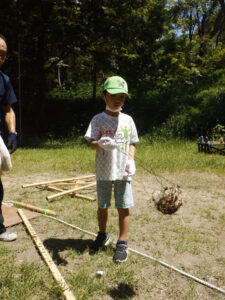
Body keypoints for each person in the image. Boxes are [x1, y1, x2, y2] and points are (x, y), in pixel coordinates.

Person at [85, 75, 139, 262]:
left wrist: (130, 160)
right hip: (103, 171)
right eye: (114, 95)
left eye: (122, 97)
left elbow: (132, 142)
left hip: (123, 172)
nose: (118, 100)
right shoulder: (98, 119)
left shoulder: (128, 120)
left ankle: (122, 242)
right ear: (103, 96)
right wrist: (99, 143)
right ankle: (102, 234)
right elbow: (91, 143)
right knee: (102, 205)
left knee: (123, 206)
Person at [0, 34, 18, 241]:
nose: (0, 57)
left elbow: (8, 109)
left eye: (3, 55)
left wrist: (12, 132)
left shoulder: (4, 80)